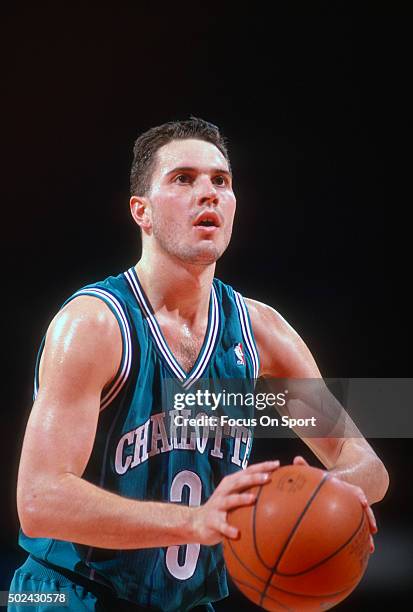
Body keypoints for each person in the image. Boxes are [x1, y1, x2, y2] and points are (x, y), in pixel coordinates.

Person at [10, 117, 389, 611]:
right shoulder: (96, 325)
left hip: (186, 603)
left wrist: (320, 494)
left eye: (221, 181)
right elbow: (39, 501)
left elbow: (365, 465)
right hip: (69, 594)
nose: (207, 193)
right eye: (183, 179)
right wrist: (197, 521)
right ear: (140, 211)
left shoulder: (262, 334)